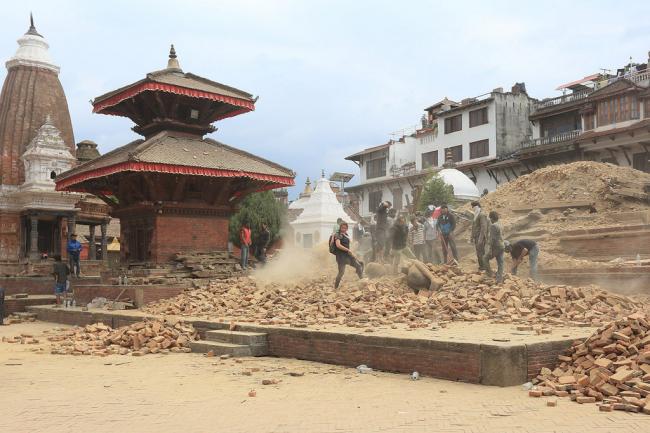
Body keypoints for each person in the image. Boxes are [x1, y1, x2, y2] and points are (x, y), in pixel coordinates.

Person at [333, 222, 364, 289]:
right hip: (341, 257)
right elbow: (338, 245)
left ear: (347, 228)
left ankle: (363, 281)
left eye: (345, 228)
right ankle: (335, 287)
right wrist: (347, 250)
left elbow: (347, 243)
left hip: (348, 255)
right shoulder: (338, 235)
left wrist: (354, 245)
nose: (343, 229)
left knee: (359, 265)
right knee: (341, 273)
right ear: (340, 228)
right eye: (342, 228)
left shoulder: (346, 234)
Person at [484, 211, 505, 283]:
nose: (490, 220)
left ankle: (489, 274)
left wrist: (490, 250)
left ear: (492, 218)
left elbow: (492, 239)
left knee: (485, 258)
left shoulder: (493, 226)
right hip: (502, 245)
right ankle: (499, 279)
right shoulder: (500, 224)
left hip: (496, 246)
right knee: (500, 262)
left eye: (490, 218)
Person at [470, 201, 489, 272]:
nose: (472, 208)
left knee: (481, 253)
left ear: (477, 206)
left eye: (473, 207)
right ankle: (482, 266)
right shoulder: (476, 214)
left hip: (480, 237)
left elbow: (484, 227)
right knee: (479, 253)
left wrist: (480, 239)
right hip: (476, 237)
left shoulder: (481, 215)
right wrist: (471, 237)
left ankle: (483, 267)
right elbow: (473, 227)